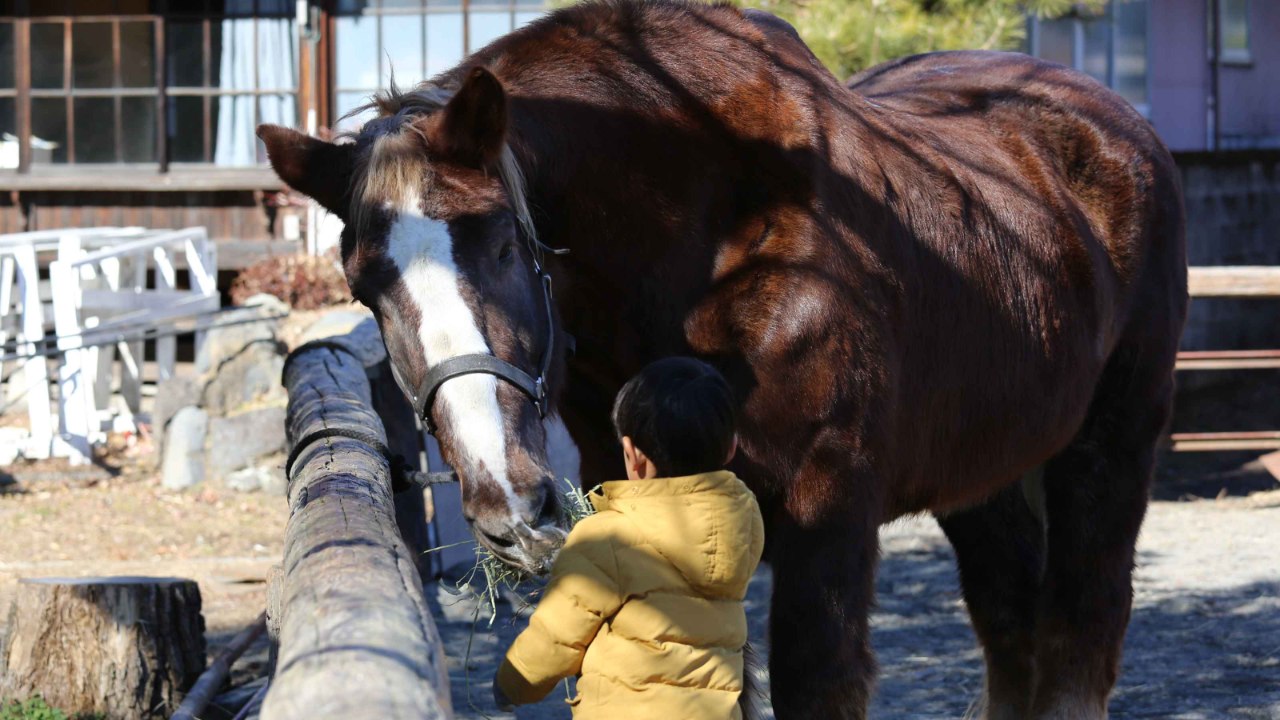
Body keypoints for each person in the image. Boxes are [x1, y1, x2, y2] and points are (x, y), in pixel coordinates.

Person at [493, 357, 766, 719]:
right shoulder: (743, 519)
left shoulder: (608, 538)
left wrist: (511, 684)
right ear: (731, 447)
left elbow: (556, 637)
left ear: (632, 457)